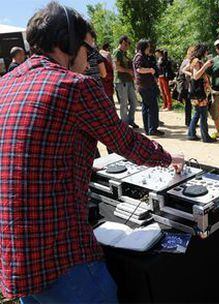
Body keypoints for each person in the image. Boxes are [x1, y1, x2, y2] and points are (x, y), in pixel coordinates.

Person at [0, 2, 184, 302]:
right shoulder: (75, 86)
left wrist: (79, 166)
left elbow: (27, 151)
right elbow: (125, 142)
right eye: (88, 51)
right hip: (61, 258)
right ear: (67, 44)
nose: (89, 62)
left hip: (14, 259)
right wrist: (167, 158)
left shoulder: (4, 85)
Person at [185, 43, 215, 143]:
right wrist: (205, 65)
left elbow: (185, 70)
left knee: (197, 113)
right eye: (206, 50)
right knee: (203, 115)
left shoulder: (194, 61)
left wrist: (192, 75)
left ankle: (191, 133)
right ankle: (205, 137)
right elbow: (197, 76)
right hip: (199, 93)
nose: (207, 52)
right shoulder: (197, 61)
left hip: (195, 92)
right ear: (203, 51)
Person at [133, 39, 164, 136]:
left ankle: (148, 129)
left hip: (145, 85)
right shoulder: (139, 57)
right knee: (153, 107)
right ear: (144, 47)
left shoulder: (142, 56)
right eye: (148, 47)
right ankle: (152, 129)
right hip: (146, 86)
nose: (149, 49)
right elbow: (139, 69)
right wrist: (150, 70)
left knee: (146, 107)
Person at [114, 35, 139, 128]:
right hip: (121, 81)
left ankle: (130, 121)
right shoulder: (117, 53)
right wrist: (128, 71)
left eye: (128, 44)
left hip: (129, 81)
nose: (127, 45)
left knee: (134, 102)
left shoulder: (124, 54)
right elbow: (117, 67)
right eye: (125, 43)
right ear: (121, 42)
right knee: (124, 103)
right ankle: (124, 124)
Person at [177, 46, 195, 126]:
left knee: (188, 105)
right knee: (189, 104)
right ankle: (189, 122)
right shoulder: (188, 62)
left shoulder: (185, 61)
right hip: (187, 86)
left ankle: (188, 121)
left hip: (186, 86)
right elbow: (183, 73)